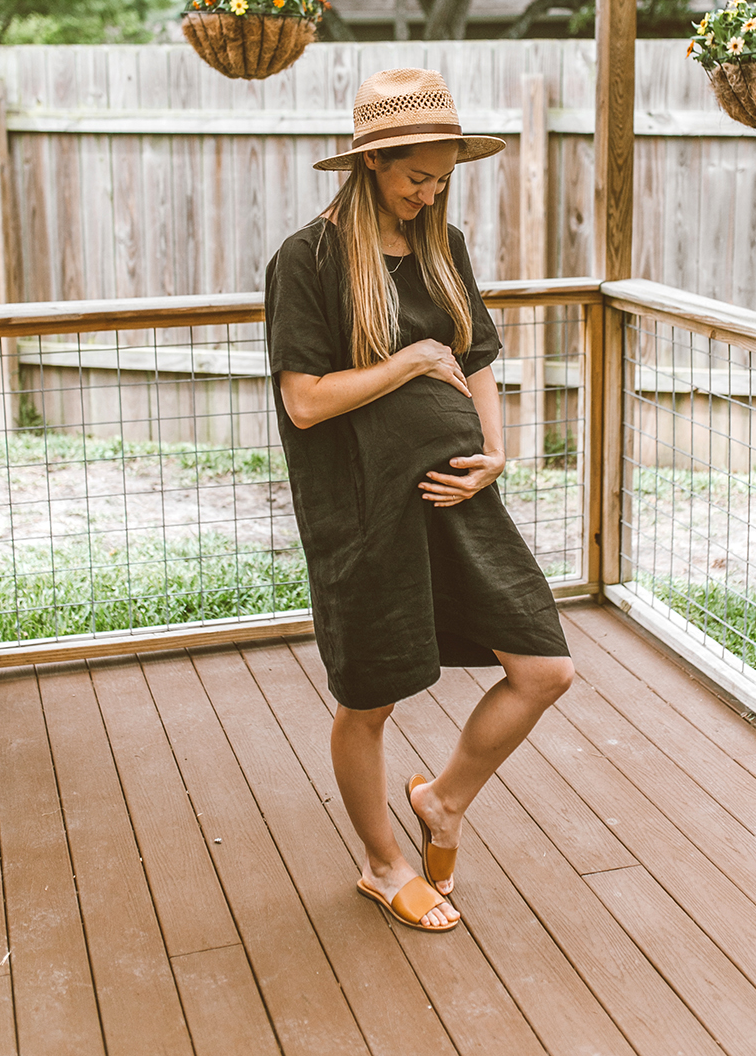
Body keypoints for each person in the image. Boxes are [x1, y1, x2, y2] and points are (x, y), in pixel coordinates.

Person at [264, 68, 574, 933]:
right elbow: (305, 401)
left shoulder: (443, 244)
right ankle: (382, 862)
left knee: (545, 668)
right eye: (416, 176)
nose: (429, 192)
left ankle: (442, 800)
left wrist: (496, 453)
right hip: (364, 507)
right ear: (372, 164)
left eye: (442, 177)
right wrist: (407, 360)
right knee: (371, 696)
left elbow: (474, 360)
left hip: (457, 495)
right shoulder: (310, 258)